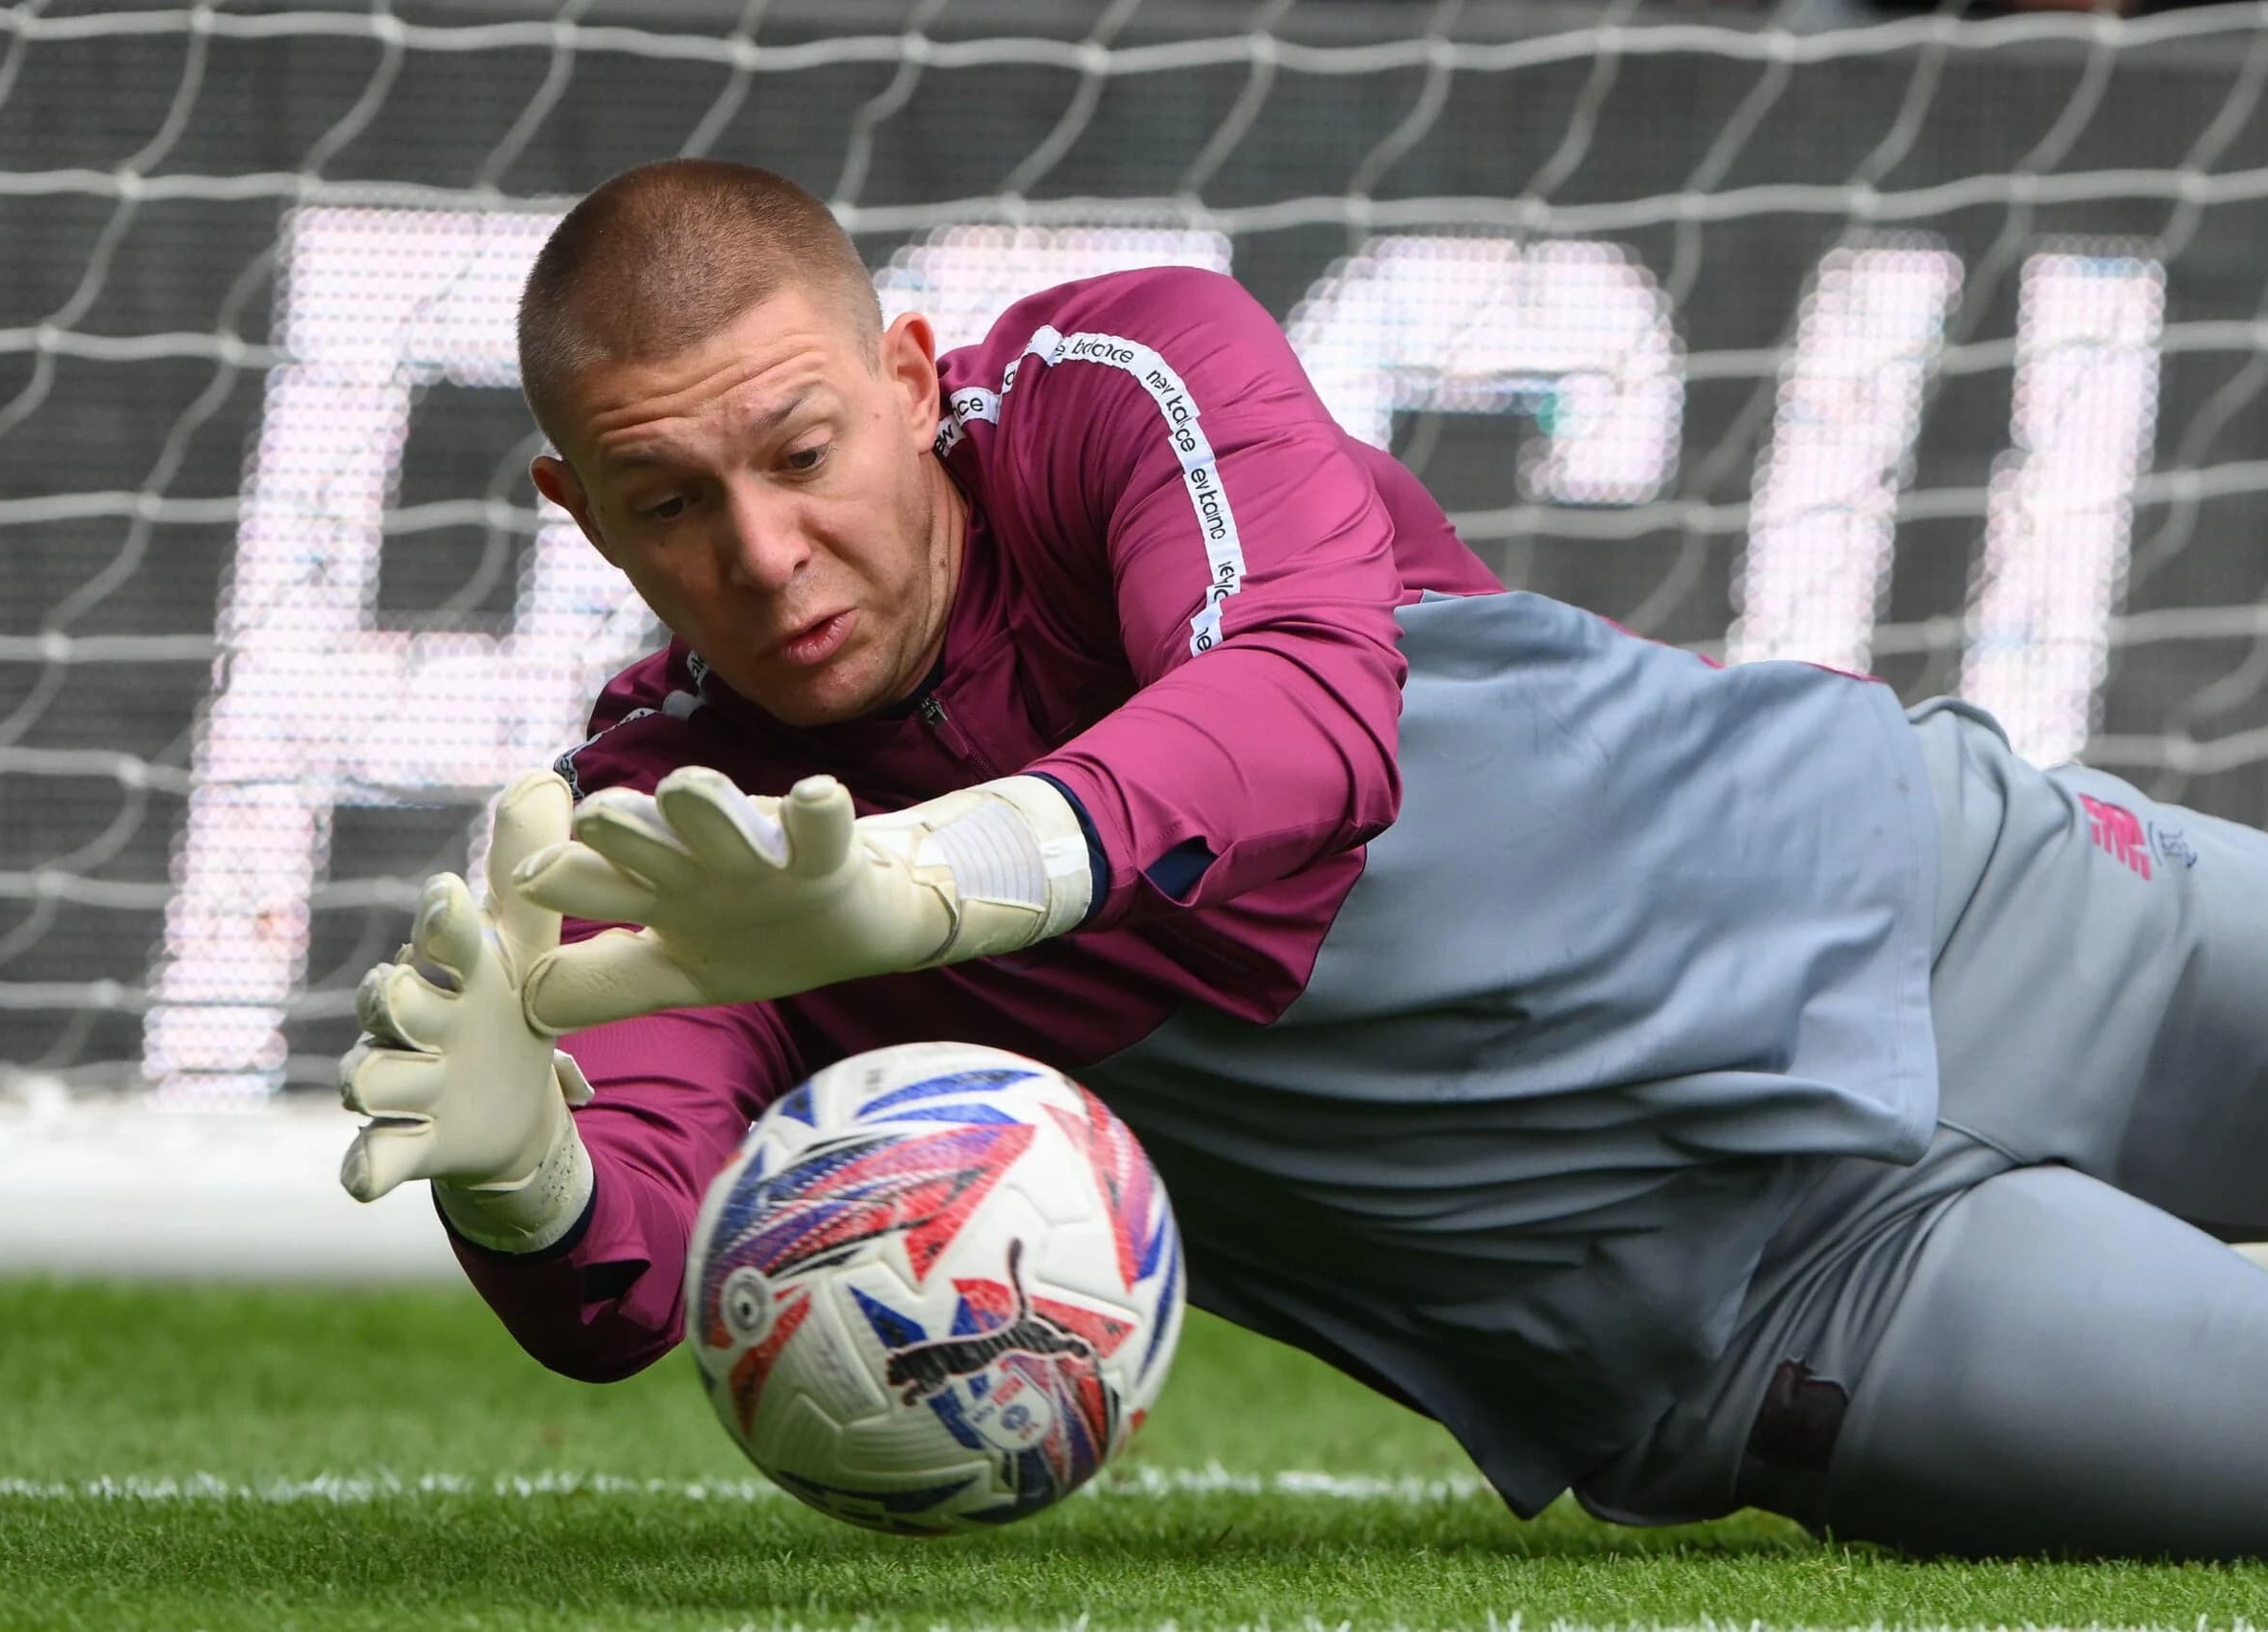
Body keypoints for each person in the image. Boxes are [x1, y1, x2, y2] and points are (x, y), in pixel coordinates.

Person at [337, 158, 2268, 1557]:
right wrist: (521, 1171)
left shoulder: (1119, 378)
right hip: (1756, 1304)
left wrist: (930, 882)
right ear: (576, 517)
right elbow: (624, 1273)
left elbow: (1295, 710)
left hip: (1949, 899)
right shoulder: (674, 824)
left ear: (912, 378)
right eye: (672, 503)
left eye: (803, 449)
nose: (763, 552)